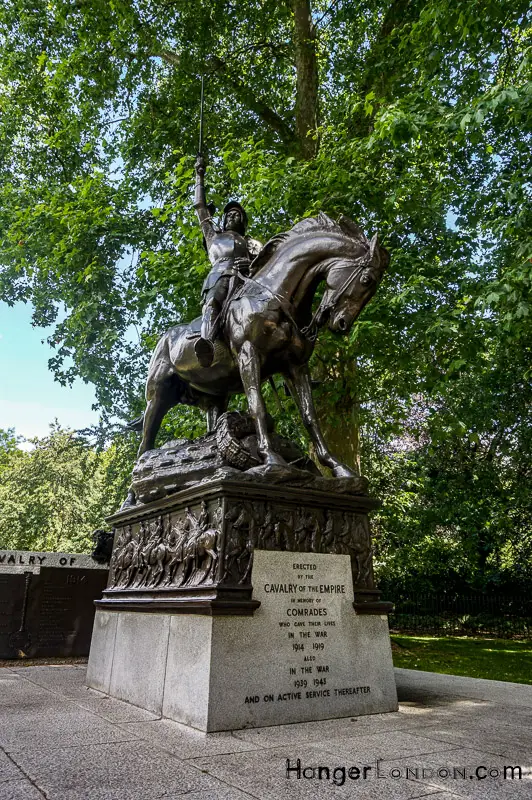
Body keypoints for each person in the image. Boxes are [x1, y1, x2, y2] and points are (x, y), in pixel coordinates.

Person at [193, 153, 262, 367]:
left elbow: (266, 263)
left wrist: (251, 266)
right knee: (214, 299)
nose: (232, 216)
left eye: (237, 214)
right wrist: (199, 177)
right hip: (220, 277)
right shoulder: (213, 235)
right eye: (228, 214)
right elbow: (200, 208)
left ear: (243, 221)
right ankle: (207, 342)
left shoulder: (250, 242)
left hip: (246, 281)